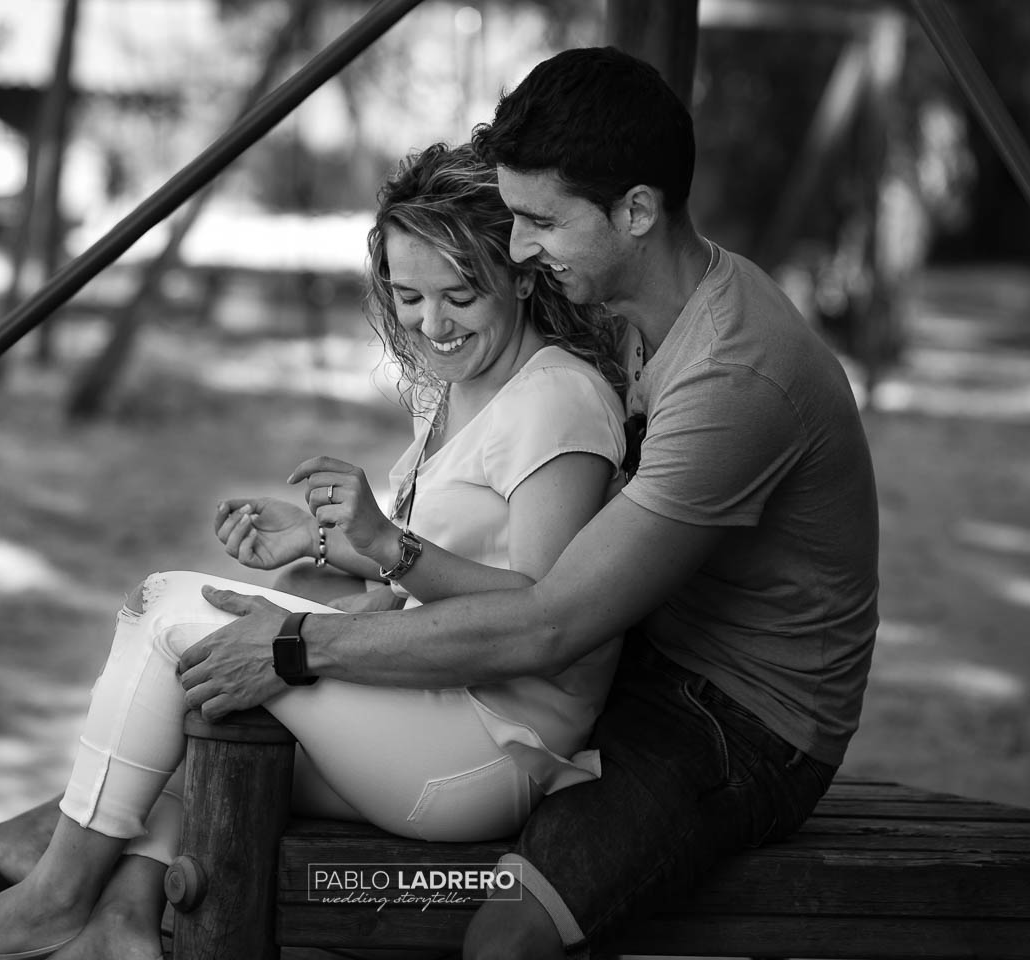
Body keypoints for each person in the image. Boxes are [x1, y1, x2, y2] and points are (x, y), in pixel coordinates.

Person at [178, 47, 880, 959]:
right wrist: (340, 551)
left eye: (539, 221)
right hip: (643, 655)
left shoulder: (735, 374)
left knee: (505, 938)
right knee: (216, 744)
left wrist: (293, 647)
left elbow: (551, 623)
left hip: (742, 723)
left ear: (636, 210)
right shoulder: (643, 309)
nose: (516, 249)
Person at [0, 141, 631, 959]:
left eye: (461, 294)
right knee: (187, 697)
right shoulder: (465, 388)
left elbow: (546, 610)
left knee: (170, 607)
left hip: (492, 746)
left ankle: (54, 897)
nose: (431, 324)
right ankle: (121, 927)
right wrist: (323, 542)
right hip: (431, 703)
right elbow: (426, 572)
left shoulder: (557, 400)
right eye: (409, 295)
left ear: (523, 274)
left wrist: (387, 546)